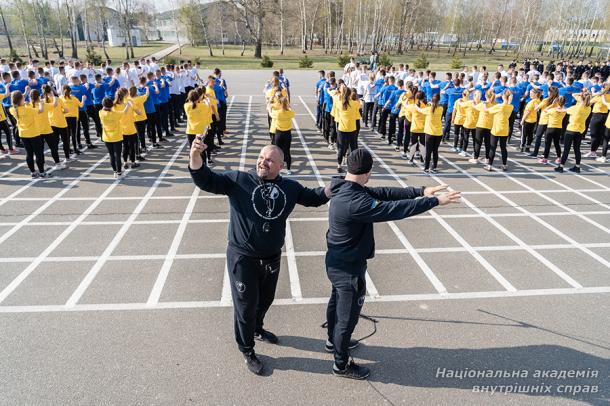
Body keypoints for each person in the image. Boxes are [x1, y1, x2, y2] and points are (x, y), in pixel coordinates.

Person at [189, 141, 331, 376]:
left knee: (265, 300)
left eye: (269, 160)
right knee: (245, 307)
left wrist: (334, 187)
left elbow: (313, 197)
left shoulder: (290, 187)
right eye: (261, 157)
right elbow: (205, 179)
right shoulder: (239, 181)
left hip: (271, 257)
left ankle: (257, 328)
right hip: (242, 258)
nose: (262, 162)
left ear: (281, 166)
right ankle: (247, 349)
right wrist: (195, 154)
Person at [325, 148, 461, 380]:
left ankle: (332, 341)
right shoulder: (357, 202)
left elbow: (383, 193)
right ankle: (341, 364)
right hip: (348, 268)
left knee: (336, 302)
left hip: (337, 261)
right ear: (367, 172)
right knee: (347, 317)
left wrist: (420, 190)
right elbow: (394, 209)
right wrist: (434, 201)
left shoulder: (341, 186)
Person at [9, 90, 49, 178]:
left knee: (29, 153)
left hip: (23, 134)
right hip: (34, 133)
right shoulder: (28, 109)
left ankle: (33, 172)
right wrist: (41, 103)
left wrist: (24, 103)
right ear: (21, 99)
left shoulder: (12, 109)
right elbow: (40, 110)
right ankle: (42, 172)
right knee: (38, 153)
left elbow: (18, 105)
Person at [555, 91, 592, 173]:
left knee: (566, 149)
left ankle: (561, 166)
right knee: (577, 149)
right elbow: (578, 97)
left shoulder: (575, 108)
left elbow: (572, 95)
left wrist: (580, 93)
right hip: (580, 130)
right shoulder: (588, 108)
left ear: (580, 99)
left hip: (571, 129)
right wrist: (582, 96)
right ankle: (577, 166)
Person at [99, 96, 132, 178]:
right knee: (117, 155)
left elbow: (104, 108)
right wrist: (127, 105)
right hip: (117, 137)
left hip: (107, 137)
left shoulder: (101, 113)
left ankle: (115, 171)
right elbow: (124, 112)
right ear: (111, 105)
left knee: (111, 155)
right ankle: (119, 172)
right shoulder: (116, 114)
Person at [485, 90, 514, 171]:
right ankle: (504, 165)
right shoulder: (511, 106)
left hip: (496, 129)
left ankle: (489, 165)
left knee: (493, 147)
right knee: (503, 148)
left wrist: (485, 104)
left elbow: (487, 110)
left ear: (503, 96)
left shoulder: (499, 106)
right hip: (504, 129)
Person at [268, 96, 295, 174]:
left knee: (277, 152)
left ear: (280, 104)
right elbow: (292, 112)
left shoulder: (277, 113)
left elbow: (270, 114)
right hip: (287, 134)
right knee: (287, 151)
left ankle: (277, 170)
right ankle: (288, 169)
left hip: (279, 134)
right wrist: (288, 106)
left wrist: (270, 108)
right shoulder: (290, 113)